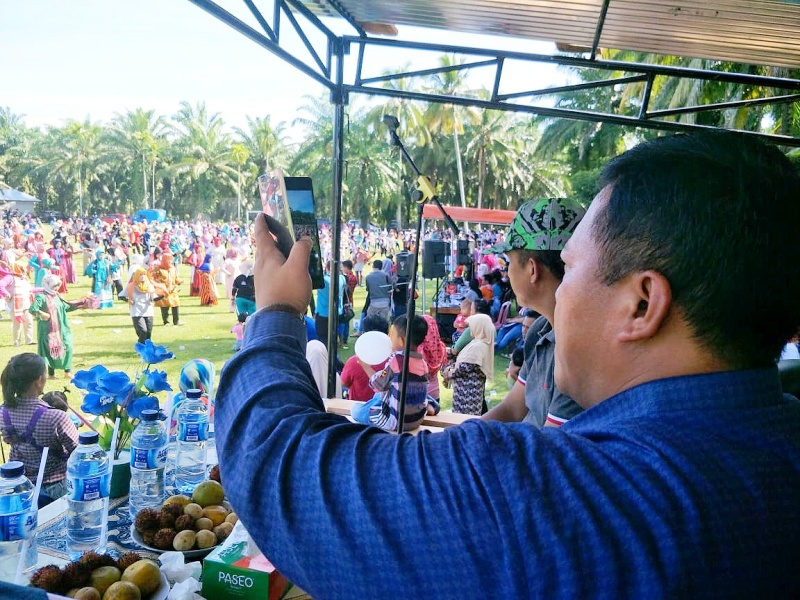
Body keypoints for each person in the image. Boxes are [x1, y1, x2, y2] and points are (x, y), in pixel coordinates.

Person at [216, 131, 800, 599]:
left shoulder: (541, 493)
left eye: (571, 270)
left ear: (642, 303)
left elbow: (276, 464)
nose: (558, 291)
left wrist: (277, 310)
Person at [482, 198, 585, 428]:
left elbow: (546, 451)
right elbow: (512, 408)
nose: (506, 273)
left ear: (532, 269)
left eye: (508, 263)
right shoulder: (540, 330)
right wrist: (461, 441)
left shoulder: (580, 352)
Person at [0, 353, 79, 500]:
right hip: (55, 488)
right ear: (40, 380)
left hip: (18, 488)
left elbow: (8, 439)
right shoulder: (56, 416)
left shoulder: (3, 412)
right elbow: (79, 452)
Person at [349, 314, 429, 432]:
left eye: (393, 335)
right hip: (416, 419)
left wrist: (365, 366)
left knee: (356, 410)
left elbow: (378, 384)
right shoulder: (422, 363)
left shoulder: (397, 361)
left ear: (401, 341)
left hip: (395, 422)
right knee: (379, 396)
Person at [30, 275, 82, 379]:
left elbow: (65, 307)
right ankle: (51, 374)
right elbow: (32, 309)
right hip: (48, 329)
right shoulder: (41, 296)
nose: (57, 288)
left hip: (62, 328)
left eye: (58, 285)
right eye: (54, 286)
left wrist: (81, 303)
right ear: (48, 285)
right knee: (51, 349)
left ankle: (67, 372)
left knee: (68, 346)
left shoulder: (57, 296)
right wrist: (41, 313)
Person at [443, 313, 495, 415]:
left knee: (464, 419)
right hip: (466, 391)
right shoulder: (478, 342)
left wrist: (449, 373)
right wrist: (451, 367)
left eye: (472, 326)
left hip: (468, 393)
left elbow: (465, 367)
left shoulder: (478, 346)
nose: (470, 329)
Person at [340, 316, 389, 401]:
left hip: (358, 407)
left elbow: (344, 383)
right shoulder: (394, 361)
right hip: (384, 406)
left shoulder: (355, 361)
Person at [129, 266, 158, 344]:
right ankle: (140, 347)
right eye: (140, 275)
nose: (142, 276)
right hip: (136, 311)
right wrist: (129, 300)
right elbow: (121, 296)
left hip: (148, 311)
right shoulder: (132, 286)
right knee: (143, 331)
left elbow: (154, 297)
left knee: (148, 332)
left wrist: (161, 297)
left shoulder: (149, 285)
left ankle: (147, 349)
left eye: (144, 275)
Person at [363, 259, 392, 323]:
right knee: (383, 322)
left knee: (370, 321)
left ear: (373, 266)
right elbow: (390, 288)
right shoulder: (387, 276)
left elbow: (368, 289)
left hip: (374, 302)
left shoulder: (368, 277)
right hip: (385, 302)